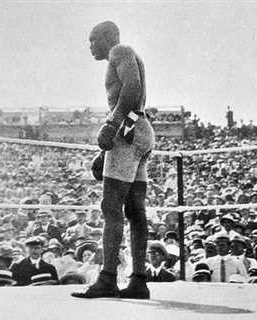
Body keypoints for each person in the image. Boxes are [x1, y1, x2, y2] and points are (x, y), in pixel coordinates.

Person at [72, 21, 154, 299]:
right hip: (138, 128)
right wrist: (106, 149)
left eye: (93, 39)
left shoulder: (119, 51)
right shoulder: (126, 54)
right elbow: (135, 100)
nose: (91, 46)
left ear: (108, 37)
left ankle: (107, 277)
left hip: (129, 128)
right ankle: (139, 281)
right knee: (135, 210)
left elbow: (133, 85)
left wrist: (111, 122)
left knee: (111, 205)